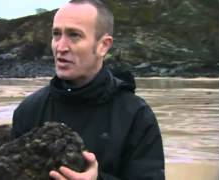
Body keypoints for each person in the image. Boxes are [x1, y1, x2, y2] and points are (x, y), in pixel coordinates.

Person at [11, 0, 165, 179]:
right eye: (56, 34)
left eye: (74, 35)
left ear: (103, 45)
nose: (61, 47)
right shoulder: (29, 110)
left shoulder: (136, 115)